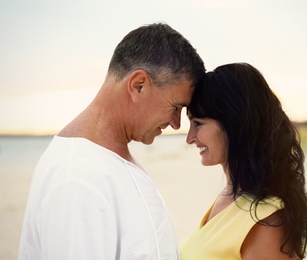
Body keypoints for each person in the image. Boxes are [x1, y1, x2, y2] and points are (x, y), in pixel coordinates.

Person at [19, 23, 205, 260]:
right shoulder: (76, 177)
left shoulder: (111, 158)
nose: (176, 124)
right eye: (175, 107)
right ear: (138, 85)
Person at [180, 63, 307, 259]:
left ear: (235, 124)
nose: (190, 138)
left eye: (198, 124)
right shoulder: (232, 197)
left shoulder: (267, 222)